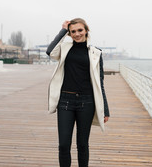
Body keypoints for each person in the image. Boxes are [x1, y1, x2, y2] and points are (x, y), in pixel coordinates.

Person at [46, 18, 110, 167]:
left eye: (80, 30)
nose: (77, 34)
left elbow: (100, 82)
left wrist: (105, 109)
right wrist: (63, 30)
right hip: (65, 101)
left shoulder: (96, 53)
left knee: (82, 144)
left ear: (86, 30)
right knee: (63, 145)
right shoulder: (64, 48)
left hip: (86, 102)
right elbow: (50, 51)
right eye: (73, 31)